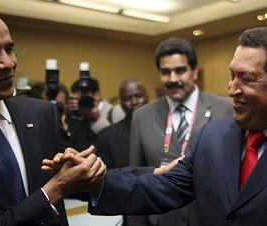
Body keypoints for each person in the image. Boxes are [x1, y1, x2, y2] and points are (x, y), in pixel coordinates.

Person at [78, 26, 267, 226]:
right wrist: (90, 181)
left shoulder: (221, 110)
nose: (231, 90)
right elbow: (163, 186)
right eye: (231, 76)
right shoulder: (212, 135)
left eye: (246, 79)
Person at [0, 4, 105, 225]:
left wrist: (87, 171)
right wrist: (51, 192)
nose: (8, 63)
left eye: (9, 49)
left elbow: (78, 182)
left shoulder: (42, 114)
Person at [129, 37, 233, 226]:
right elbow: (137, 180)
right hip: (162, 219)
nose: (173, 79)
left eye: (180, 70)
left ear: (194, 71)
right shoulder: (141, 116)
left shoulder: (225, 109)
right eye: (165, 72)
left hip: (211, 218)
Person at [96, 79, 149, 168]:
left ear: (147, 98)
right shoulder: (106, 136)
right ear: (121, 103)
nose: (134, 102)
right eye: (127, 98)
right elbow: (105, 174)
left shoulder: (163, 128)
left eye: (138, 96)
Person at [66, 77, 112, 150]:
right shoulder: (74, 113)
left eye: (85, 99)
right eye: (79, 99)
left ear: (97, 95)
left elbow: (112, 140)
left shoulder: (112, 112)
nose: (83, 103)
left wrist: (97, 118)